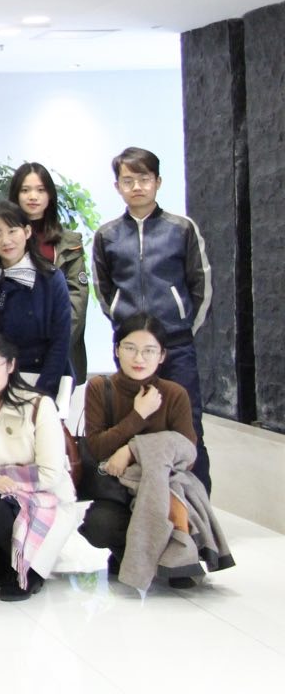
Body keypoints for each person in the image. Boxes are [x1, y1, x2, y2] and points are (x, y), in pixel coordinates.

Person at [0, 332, 103, 601]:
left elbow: (51, 473)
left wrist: (7, 484)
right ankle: (7, 559)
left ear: (10, 365)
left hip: (41, 500)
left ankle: (28, 571)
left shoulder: (38, 405)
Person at [79, 315, 232, 590]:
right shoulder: (100, 388)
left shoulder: (174, 394)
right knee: (99, 525)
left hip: (167, 489)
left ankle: (177, 559)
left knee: (168, 500)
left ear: (161, 356)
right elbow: (97, 447)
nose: (139, 358)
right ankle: (126, 552)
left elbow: (187, 453)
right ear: (117, 350)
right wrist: (138, 415)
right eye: (130, 348)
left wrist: (132, 450)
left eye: (149, 350)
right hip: (119, 489)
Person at [92, 146, 212, 490]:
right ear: (117, 186)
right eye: (128, 180)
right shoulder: (107, 235)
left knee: (189, 426)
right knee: (134, 420)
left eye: (144, 178)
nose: (137, 187)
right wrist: (123, 325)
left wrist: (182, 327)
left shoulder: (181, 228)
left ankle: (195, 506)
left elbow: (200, 285)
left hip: (176, 345)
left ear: (158, 181)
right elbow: (104, 289)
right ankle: (138, 502)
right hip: (131, 349)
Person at [0, 201, 73, 398]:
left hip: (45, 379)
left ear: (27, 232)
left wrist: (41, 394)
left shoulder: (51, 279)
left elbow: (61, 341)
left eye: (12, 231)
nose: (5, 241)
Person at [10, 161, 90, 387]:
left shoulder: (69, 242)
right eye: (25, 190)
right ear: (15, 195)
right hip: (14, 352)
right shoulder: (3, 240)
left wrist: (57, 342)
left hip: (61, 349)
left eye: (40, 189)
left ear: (50, 195)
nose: (33, 196)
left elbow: (77, 297)